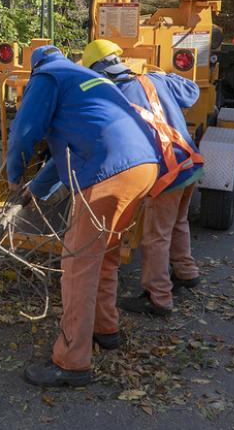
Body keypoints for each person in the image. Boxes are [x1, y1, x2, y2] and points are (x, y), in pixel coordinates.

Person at [7, 45, 161, 387]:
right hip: (143, 166)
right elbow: (64, 153)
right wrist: (35, 189)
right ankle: (106, 329)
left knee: (77, 265)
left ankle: (72, 362)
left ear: (34, 68)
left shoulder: (46, 76)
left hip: (108, 171)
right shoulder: (84, 77)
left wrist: (14, 177)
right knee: (104, 256)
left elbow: (23, 132)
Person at [82, 40, 204, 317]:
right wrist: (164, 75)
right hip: (190, 163)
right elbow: (192, 92)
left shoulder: (113, 97)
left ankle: (158, 298)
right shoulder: (153, 79)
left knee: (155, 236)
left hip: (167, 174)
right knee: (177, 222)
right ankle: (186, 272)